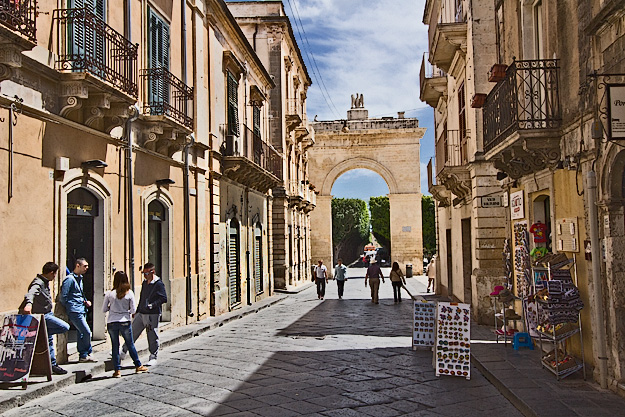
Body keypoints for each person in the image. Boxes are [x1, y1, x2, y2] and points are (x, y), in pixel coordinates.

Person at [20, 262, 70, 375]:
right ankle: (43, 333)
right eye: (55, 274)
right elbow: (31, 293)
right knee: (64, 327)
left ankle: (52, 365)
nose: (54, 276)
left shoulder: (45, 282)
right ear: (51, 273)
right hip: (43, 316)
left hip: (47, 314)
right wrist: (28, 304)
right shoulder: (38, 282)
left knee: (49, 340)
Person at [102, 271, 148, 377]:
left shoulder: (109, 294)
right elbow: (133, 310)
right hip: (124, 321)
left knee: (114, 346)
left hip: (112, 322)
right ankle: (138, 365)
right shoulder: (129, 293)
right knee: (130, 344)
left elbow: (104, 309)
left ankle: (117, 371)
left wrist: (112, 308)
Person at [121, 262, 167, 366]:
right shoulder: (144, 283)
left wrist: (153, 305)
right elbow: (142, 297)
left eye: (147, 273)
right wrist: (137, 310)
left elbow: (164, 298)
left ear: (152, 272)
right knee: (132, 332)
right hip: (141, 313)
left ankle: (153, 356)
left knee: (152, 335)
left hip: (152, 314)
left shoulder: (158, 284)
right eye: (144, 273)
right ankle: (123, 351)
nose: (145, 276)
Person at [61, 258, 97, 363]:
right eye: (85, 266)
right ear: (77, 265)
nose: (87, 268)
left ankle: (83, 355)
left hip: (82, 308)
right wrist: (70, 306)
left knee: (81, 333)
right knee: (86, 332)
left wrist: (84, 301)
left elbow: (79, 294)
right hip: (75, 310)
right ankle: (87, 352)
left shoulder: (80, 278)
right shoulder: (70, 279)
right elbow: (64, 296)